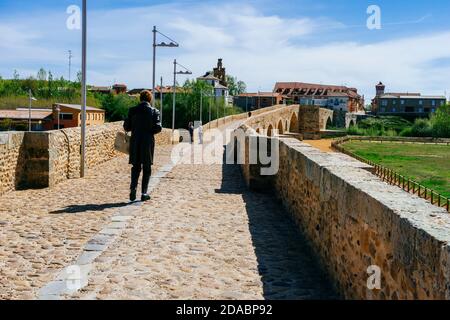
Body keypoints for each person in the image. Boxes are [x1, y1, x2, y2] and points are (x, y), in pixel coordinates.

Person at [124, 90, 162, 202]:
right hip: (148, 142)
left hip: (135, 141)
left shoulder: (132, 110)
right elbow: (158, 128)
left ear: (140, 99)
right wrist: (149, 131)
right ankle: (144, 193)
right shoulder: (154, 111)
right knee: (147, 168)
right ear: (150, 99)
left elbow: (127, 127)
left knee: (135, 167)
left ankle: (133, 189)